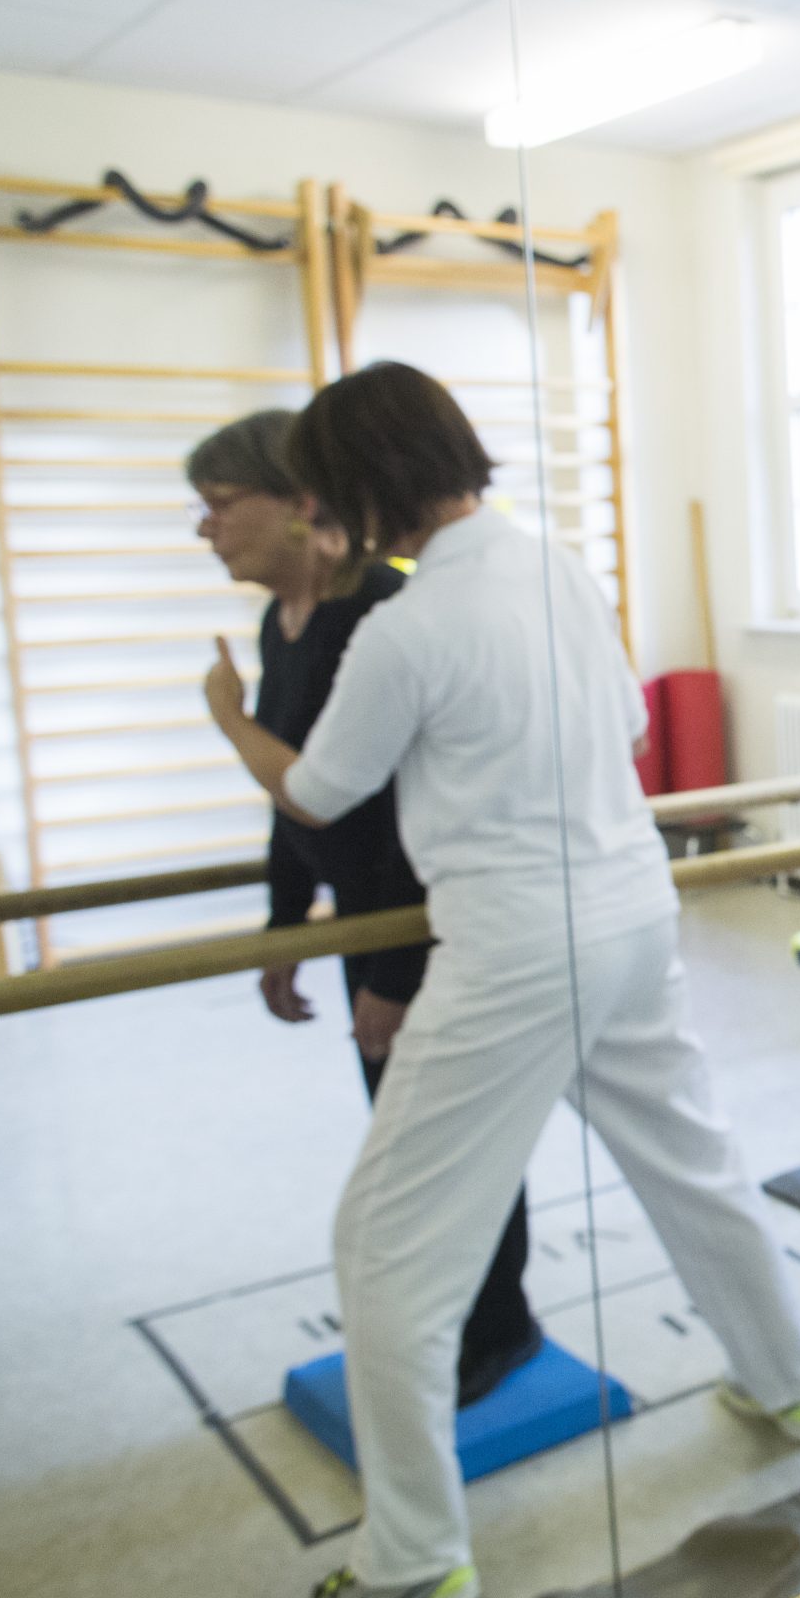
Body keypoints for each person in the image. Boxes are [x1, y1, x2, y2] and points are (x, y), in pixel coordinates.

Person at [200, 363, 800, 1598]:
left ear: (367, 487)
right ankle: (790, 1384)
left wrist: (229, 715)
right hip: (633, 915)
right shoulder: (556, 564)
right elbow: (628, 734)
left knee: (383, 1251)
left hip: (518, 947)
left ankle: (415, 1561)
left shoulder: (407, 626)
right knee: (690, 1164)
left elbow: (317, 793)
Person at [189, 410, 539, 1409]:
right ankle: (462, 1319)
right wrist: (286, 922)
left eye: (219, 507)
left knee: (450, 1141)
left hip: (424, 926)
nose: (206, 530)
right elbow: (292, 802)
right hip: (364, 922)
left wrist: (391, 973)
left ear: (299, 507)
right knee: (410, 1131)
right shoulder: (283, 621)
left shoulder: (380, 613)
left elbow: (387, 820)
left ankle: (498, 1327)